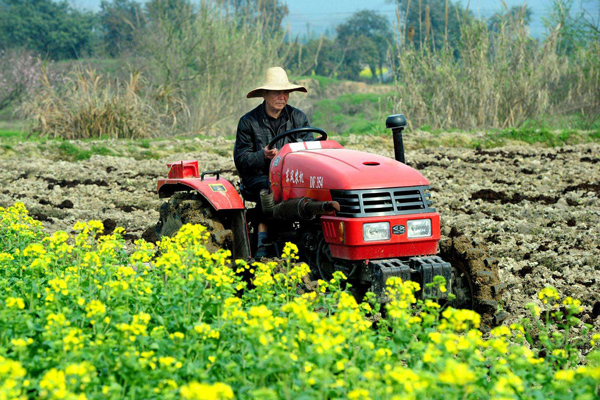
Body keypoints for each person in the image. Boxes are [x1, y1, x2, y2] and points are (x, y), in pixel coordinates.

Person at [233, 67, 313, 258]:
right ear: (265, 94)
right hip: (258, 176)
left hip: (292, 176)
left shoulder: (299, 117)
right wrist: (263, 155)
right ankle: (262, 240)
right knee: (269, 188)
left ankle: (311, 236)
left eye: (285, 92)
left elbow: (311, 148)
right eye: (277, 92)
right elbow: (241, 159)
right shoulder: (248, 122)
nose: (282, 96)